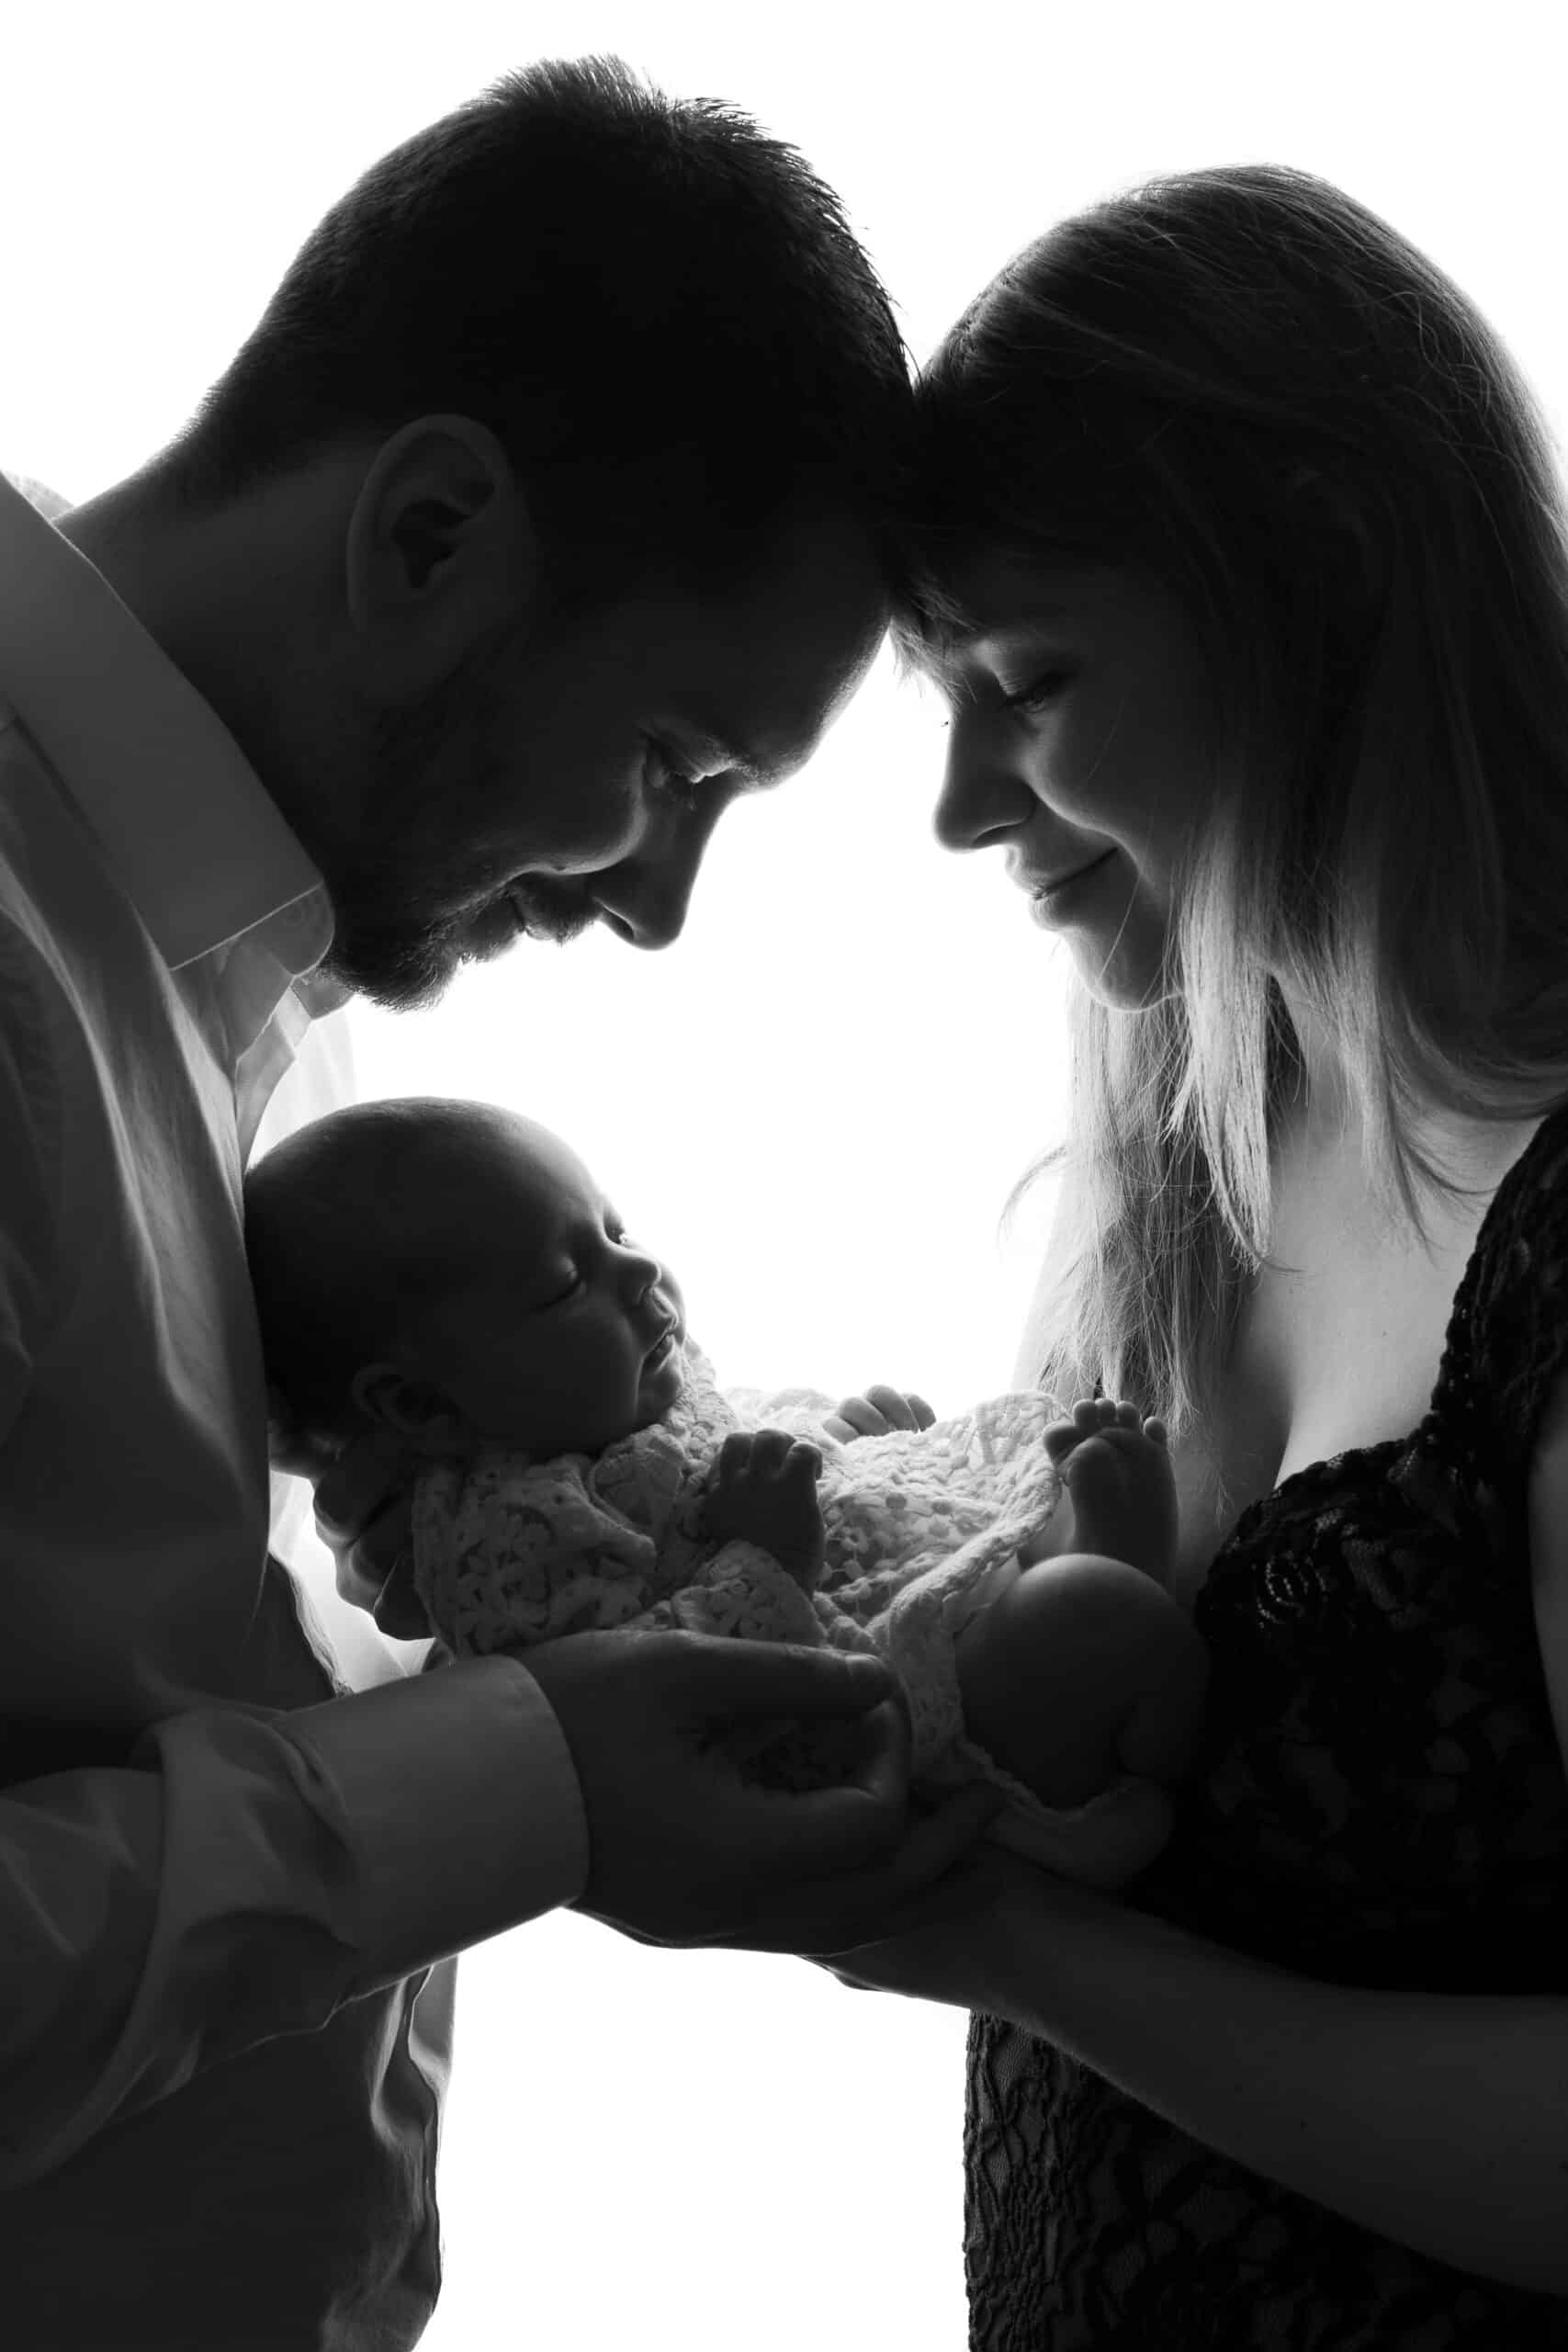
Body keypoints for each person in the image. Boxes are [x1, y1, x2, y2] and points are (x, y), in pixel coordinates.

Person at [0, 58, 1007, 2351]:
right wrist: (516, 1789)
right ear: (428, 534)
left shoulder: (247, 971)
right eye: (669, 768)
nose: (652, 905)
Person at [800, 164, 1568, 2343]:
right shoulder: (1173, 1169)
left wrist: (1003, 1940)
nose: (956, 803)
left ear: (1313, 589)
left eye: (1024, 678)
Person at [242, 1097, 1209, 1871]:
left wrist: (834, 1437)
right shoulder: (509, 1546)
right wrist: (767, 1552)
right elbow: (646, 1690)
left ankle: (1102, 1597)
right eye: (564, 1281)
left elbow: (730, 1437)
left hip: (875, 1591)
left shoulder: (621, 1399)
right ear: (422, 1408)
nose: (641, 1271)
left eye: (616, 1231)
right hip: (865, 1724)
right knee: (1093, 1618)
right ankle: (1117, 1640)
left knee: (1024, 1503)